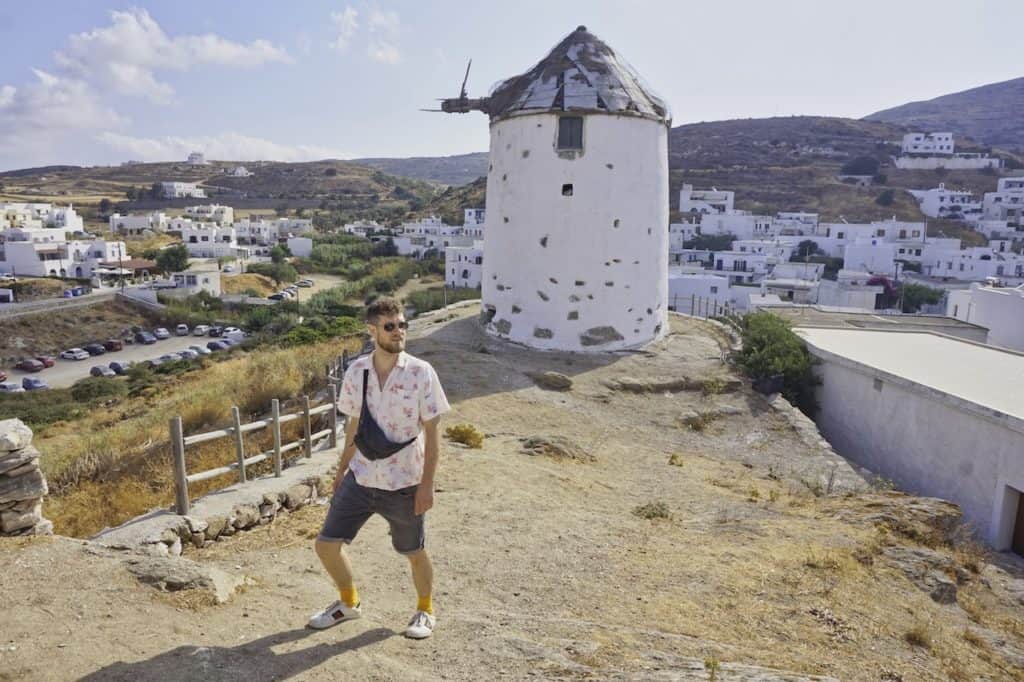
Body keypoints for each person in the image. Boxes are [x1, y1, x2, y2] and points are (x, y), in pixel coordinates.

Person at [309, 296, 450, 639]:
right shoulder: (357, 371)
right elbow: (355, 427)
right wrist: (342, 469)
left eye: (402, 324)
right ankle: (348, 602)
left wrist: (427, 484)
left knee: (413, 551)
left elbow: (432, 434)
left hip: (404, 481)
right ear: (372, 330)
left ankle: (425, 611)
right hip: (361, 476)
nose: (399, 331)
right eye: (390, 326)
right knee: (326, 544)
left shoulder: (421, 373)